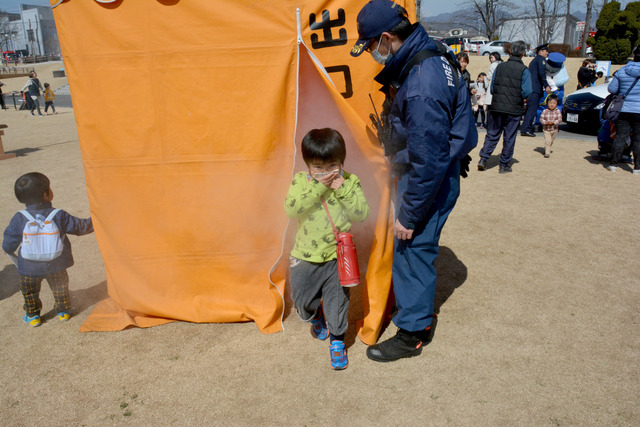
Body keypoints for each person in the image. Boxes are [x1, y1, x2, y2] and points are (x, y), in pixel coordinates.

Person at [350, 0, 477, 362]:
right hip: (435, 168)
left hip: (425, 177)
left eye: (373, 45)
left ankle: (413, 332)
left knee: (412, 248)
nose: (373, 53)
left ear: (388, 38)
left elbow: (428, 157)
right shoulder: (432, 51)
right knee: (415, 247)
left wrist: (410, 212)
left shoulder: (422, 84)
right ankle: (416, 317)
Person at [284, 128, 370, 370]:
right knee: (302, 303)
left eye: (332, 166)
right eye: (318, 168)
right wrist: (319, 187)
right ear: (308, 165)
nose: (325, 173)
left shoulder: (350, 181)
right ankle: (315, 316)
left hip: (337, 256)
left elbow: (361, 213)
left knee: (338, 303)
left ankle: (337, 343)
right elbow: (291, 210)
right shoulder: (301, 181)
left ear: (342, 161)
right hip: (304, 256)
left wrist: (341, 189)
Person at [2, 172, 94, 327]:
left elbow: (10, 238)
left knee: (30, 292)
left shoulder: (19, 217)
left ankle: (33, 316)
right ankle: (64, 311)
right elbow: (81, 227)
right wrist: (97, 219)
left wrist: (7, 248)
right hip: (56, 264)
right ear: (46, 195)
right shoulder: (58, 215)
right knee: (60, 288)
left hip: (29, 267)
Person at [477, 40, 532, 173]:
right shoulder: (524, 70)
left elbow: (492, 86)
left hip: (496, 106)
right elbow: (527, 91)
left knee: (492, 134)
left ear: (511, 52)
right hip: (514, 108)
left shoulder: (499, 67)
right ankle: (504, 165)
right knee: (509, 136)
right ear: (523, 53)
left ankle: (483, 159)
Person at [607, 45, 640, 174]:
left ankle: (613, 164)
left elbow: (612, 89)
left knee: (620, 137)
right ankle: (637, 167)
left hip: (624, 109)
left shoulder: (623, 70)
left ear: (633, 55)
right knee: (638, 139)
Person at [521, 43, 551, 137]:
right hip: (535, 88)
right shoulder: (540, 59)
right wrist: (546, 85)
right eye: (546, 51)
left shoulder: (535, 60)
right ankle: (526, 129)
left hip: (532, 88)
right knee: (532, 110)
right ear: (541, 51)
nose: (547, 53)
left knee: (531, 109)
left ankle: (526, 128)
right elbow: (542, 74)